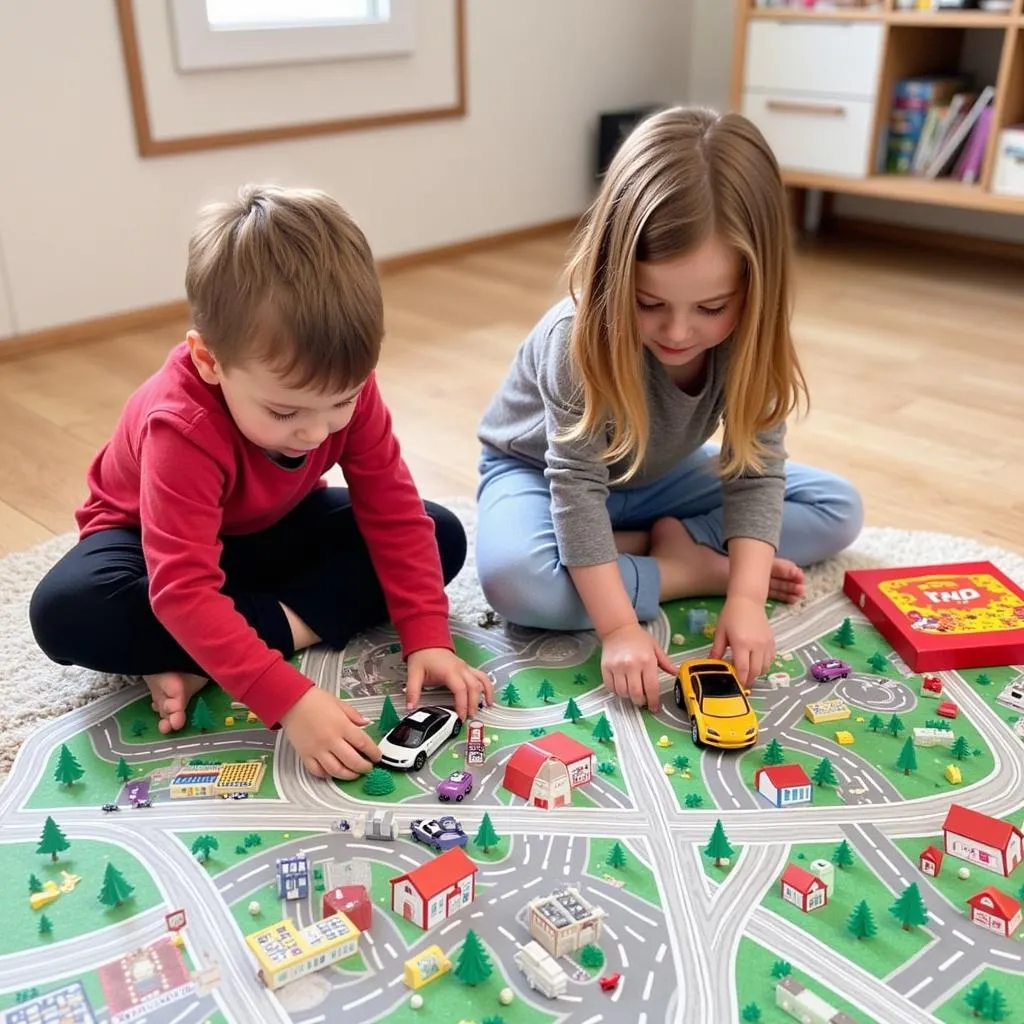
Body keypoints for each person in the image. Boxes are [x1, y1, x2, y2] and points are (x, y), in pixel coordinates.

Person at [30, 184, 492, 780]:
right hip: (147, 548)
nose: (316, 431)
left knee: (440, 534)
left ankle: (202, 652)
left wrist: (429, 636)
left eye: (342, 402)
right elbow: (181, 590)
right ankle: (222, 640)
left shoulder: (338, 387)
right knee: (65, 612)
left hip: (265, 533)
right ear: (209, 362)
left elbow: (394, 509)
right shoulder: (182, 425)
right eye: (284, 413)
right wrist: (289, 698)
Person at [475, 107, 863, 709]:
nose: (679, 331)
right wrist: (621, 629)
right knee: (516, 582)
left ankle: (646, 543)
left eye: (712, 308)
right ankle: (687, 567)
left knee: (837, 508)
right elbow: (574, 488)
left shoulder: (750, 336)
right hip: (536, 472)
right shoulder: (573, 339)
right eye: (649, 302)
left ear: (754, 290)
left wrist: (746, 598)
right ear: (612, 273)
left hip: (659, 474)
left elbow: (757, 470)